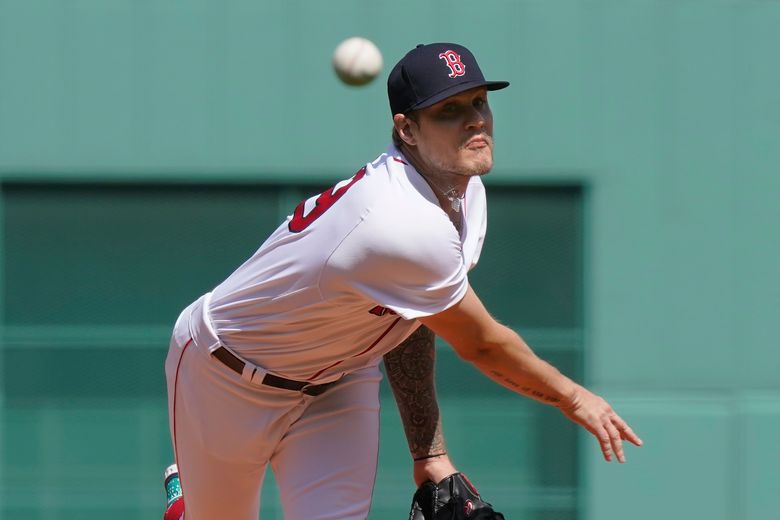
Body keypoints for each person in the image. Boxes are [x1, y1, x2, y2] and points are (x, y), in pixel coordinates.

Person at [163, 42, 643, 520]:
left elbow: (410, 317)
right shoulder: (398, 218)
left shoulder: (463, 192)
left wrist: (428, 455)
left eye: (479, 101)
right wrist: (573, 397)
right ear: (407, 129)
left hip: (338, 381)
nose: (475, 119)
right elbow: (483, 345)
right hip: (225, 377)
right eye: (449, 110)